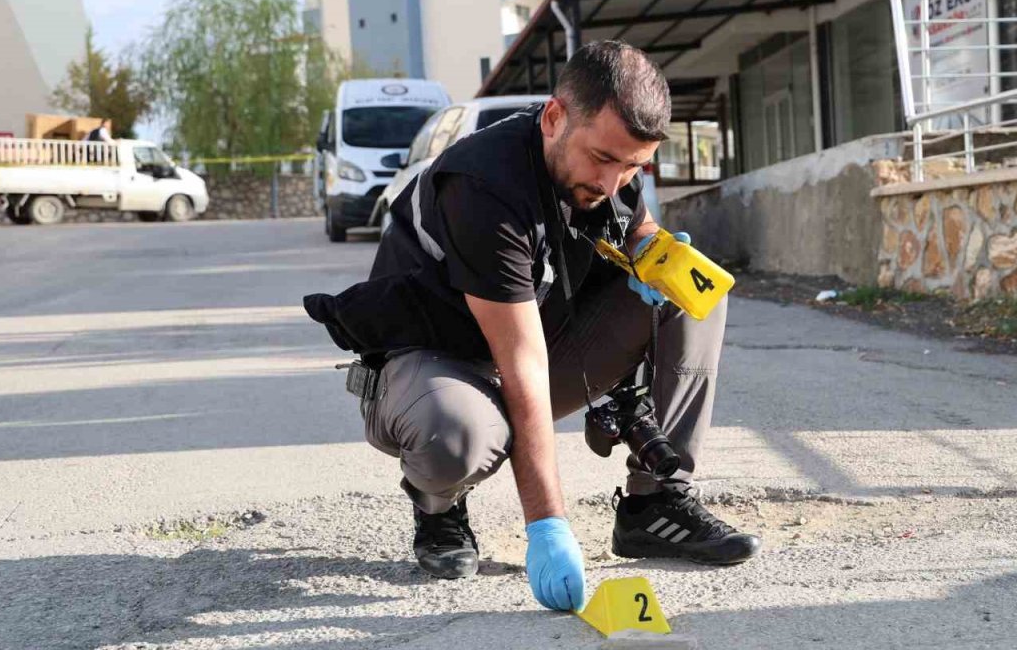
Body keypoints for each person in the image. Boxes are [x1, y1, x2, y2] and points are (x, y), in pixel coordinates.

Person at [304, 41, 759, 612]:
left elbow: (634, 225)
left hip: (531, 346)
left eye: (632, 166)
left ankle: (655, 503)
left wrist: (654, 256)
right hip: (434, 366)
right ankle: (439, 506)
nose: (613, 181)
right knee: (458, 438)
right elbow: (520, 361)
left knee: (694, 292)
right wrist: (547, 527)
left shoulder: (610, 172)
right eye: (602, 159)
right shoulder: (484, 187)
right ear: (553, 118)